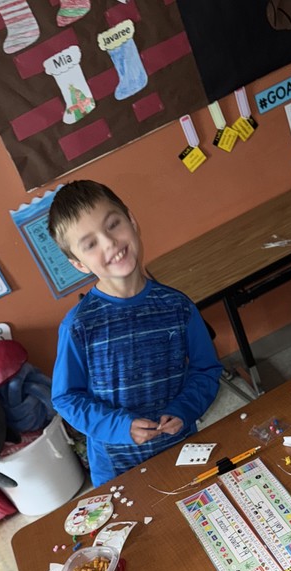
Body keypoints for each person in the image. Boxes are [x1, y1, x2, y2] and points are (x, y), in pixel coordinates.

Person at [48, 180, 223, 485]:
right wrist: (118, 426)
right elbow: (67, 398)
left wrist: (183, 409)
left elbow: (206, 370)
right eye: (90, 244)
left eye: (113, 225)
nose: (110, 243)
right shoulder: (79, 325)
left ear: (132, 220)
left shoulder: (178, 306)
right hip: (117, 469)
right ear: (78, 263)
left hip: (181, 451)